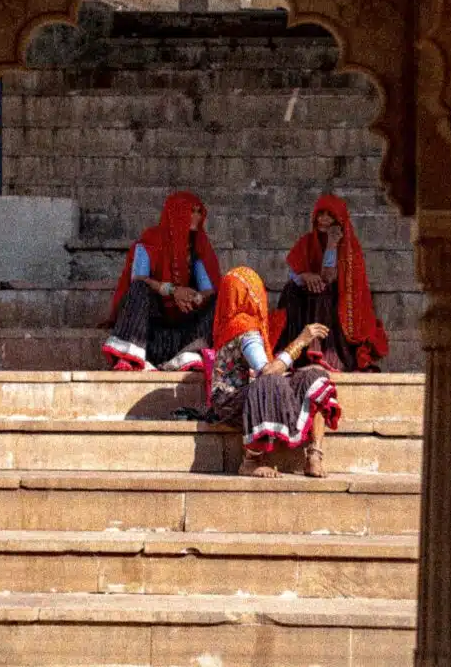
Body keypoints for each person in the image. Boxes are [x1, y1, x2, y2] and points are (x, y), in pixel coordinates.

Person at [211, 266, 340, 478]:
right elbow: (268, 372)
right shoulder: (243, 327)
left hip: (257, 394)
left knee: (316, 375)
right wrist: (301, 341)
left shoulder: (248, 326)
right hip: (231, 402)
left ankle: (314, 455)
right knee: (270, 382)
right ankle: (251, 461)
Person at [102, 190, 221, 371]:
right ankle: (131, 355)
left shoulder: (197, 247)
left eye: (199, 211)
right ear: (177, 213)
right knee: (139, 289)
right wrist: (173, 290)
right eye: (192, 211)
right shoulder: (151, 240)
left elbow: (208, 290)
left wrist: (193, 297)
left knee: (217, 300)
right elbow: (138, 278)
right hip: (149, 332)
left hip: (182, 334)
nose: (197, 216)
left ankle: (190, 354)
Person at [275, 193, 389, 372]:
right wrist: (306, 276)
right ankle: (294, 352)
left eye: (330, 215)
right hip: (306, 297)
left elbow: (329, 278)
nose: (324, 220)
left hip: (336, 300)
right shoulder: (306, 241)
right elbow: (294, 272)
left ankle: (324, 354)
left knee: (323, 291)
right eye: (321, 214)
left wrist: (331, 244)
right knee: (291, 290)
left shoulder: (349, 247)